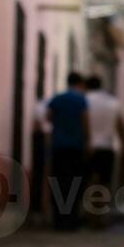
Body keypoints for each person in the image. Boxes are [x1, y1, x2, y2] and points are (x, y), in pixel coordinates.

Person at [44, 72, 90, 231]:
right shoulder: (80, 99)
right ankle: (71, 221)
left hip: (59, 147)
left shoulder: (57, 98)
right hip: (75, 147)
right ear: (80, 84)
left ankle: (58, 221)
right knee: (74, 184)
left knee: (58, 183)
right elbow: (85, 122)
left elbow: (48, 117)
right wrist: (87, 141)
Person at [85, 75, 124, 227]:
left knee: (90, 183)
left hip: (89, 147)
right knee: (104, 184)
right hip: (108, 147)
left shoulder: (84, 101)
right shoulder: (113, 102)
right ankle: (101, 216)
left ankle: (90, 217)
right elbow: (120, 127)